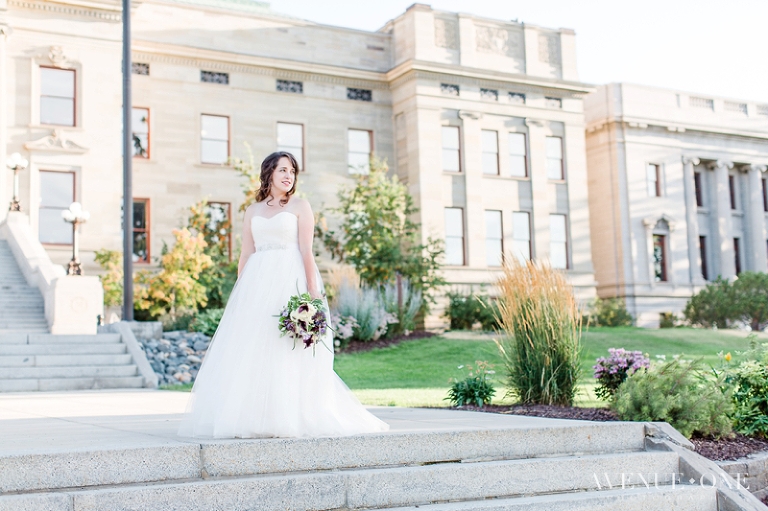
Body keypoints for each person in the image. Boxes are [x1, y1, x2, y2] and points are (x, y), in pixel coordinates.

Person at [178, 152, 389, 438]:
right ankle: (255, 418)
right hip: (257, 281)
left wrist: (313, 293)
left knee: (286, 347)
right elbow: (246, 252)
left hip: (290, 279)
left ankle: (290, 416)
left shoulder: (301, 206)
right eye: (282, 170)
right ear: (269, 174)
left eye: (292, 171)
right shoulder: (252, 211)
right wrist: (240, 293)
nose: (288, 176)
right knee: (255, 346)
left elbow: (306, 250)